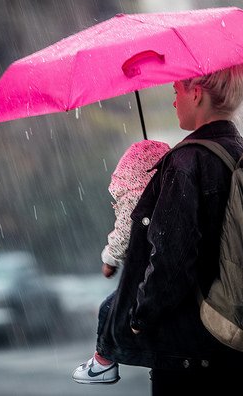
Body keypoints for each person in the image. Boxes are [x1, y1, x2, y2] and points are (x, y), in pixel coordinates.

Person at [96, 62, 243, 395]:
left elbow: (172, 261)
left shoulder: (185, 163)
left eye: (176, 92)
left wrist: (140, 316)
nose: (173, 101)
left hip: (193, 353)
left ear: (196, 94)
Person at [72, 139, 170, 385]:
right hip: (159, 268)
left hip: (148, 272)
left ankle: (103, 361)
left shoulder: (134, 198)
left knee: (111, 309)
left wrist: (110, 259)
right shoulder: (168, 189)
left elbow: (124, 232)